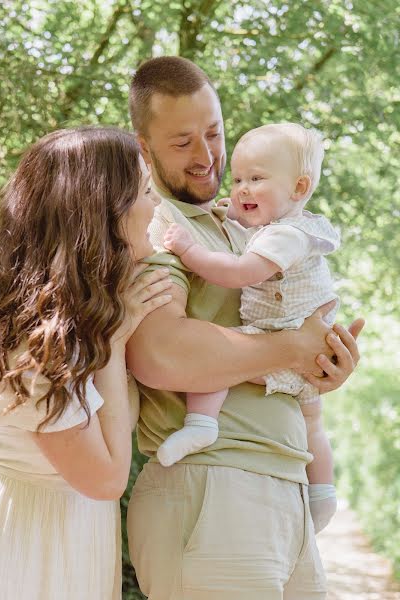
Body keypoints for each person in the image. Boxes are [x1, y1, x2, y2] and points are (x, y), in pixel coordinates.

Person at [125, 56, 364, 599]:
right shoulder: (158, 224)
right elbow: (161, 353)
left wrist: (319, 363)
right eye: (183, 141)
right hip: (216, 487)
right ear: (144, 147)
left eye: (213, 133)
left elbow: (276, 332)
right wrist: (290, 346)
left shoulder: (248, 220)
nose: (207, 155)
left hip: (280, 486)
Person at [0, 126, 173, 600]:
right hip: (21, 540)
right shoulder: (41, 351)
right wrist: (115, 346)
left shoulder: (29, 304)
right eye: (143, 192)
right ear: (105, 217)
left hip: (19, 514)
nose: (156, 205)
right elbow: (106, 478)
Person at [159, 122, 339, 534]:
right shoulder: (285, 228)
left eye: (256, 179)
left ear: (298, 188)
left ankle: (200, 425)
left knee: (216, 359)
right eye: (239, 178)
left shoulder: (287, 237)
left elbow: (241, 272)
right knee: (313, 423)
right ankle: (323, 494)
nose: (241, 189)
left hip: (282, 334)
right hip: (308, 344)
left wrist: (189, 250)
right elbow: (248, 237)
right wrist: (237, 216)